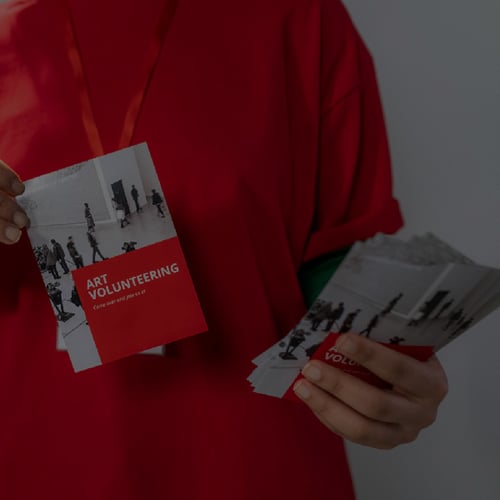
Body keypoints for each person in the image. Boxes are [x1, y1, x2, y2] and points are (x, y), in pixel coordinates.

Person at [0, 1, 449, 499]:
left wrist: (389, 371)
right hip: (30, 467)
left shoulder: (301, 18)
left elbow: (344, 276)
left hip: (252, 469)